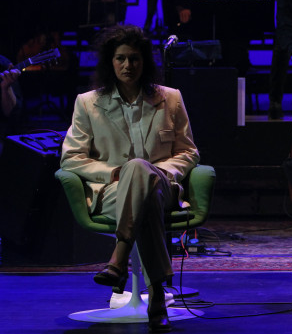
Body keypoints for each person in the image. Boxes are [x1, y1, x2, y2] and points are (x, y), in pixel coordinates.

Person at [60, 25, 199, 332]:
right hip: (112, 190)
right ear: (110, 62)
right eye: (120, 58)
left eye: (134, 59)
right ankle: (158, 297)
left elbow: (188, 152)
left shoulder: (170, 99)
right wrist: (111, 172)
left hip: (163, 185)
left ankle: (117, 259)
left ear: (144, 61)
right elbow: (71, 157)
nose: (127, 65)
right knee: (139, 185)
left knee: (140, 169)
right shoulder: (88, 103)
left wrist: (159, 172)